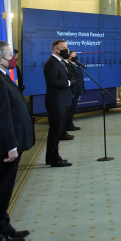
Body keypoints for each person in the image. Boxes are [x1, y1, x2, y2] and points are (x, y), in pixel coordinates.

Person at [0, 41, 35, 241]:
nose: (14, 58)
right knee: (1, 189)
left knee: (5, 188)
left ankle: (4, 226)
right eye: (10, 55)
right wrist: (11, 146)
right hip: (3, 145)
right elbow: (0, 118)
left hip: (6, 143)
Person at [43, 39, 73, 167]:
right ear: (56, 49)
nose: (67, 50)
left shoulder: (60, 62)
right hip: (56, 102)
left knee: (57, 131)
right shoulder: (51, 63)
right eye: (64, 48)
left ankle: (52, 157)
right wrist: (68, 83)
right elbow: (52, 82)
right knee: (55, 132)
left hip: (62, 101)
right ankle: (54, 159)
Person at [63, 50, 84, 133]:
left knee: (72, 109)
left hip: (77, 90)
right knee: (70, 109)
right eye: (74, 56)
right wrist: (72, 92)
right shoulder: (68, 66)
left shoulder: (74, 65)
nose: (76, 57)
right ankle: (68, 125)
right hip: (73, 91)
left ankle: (70, 124)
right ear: (70, 57)